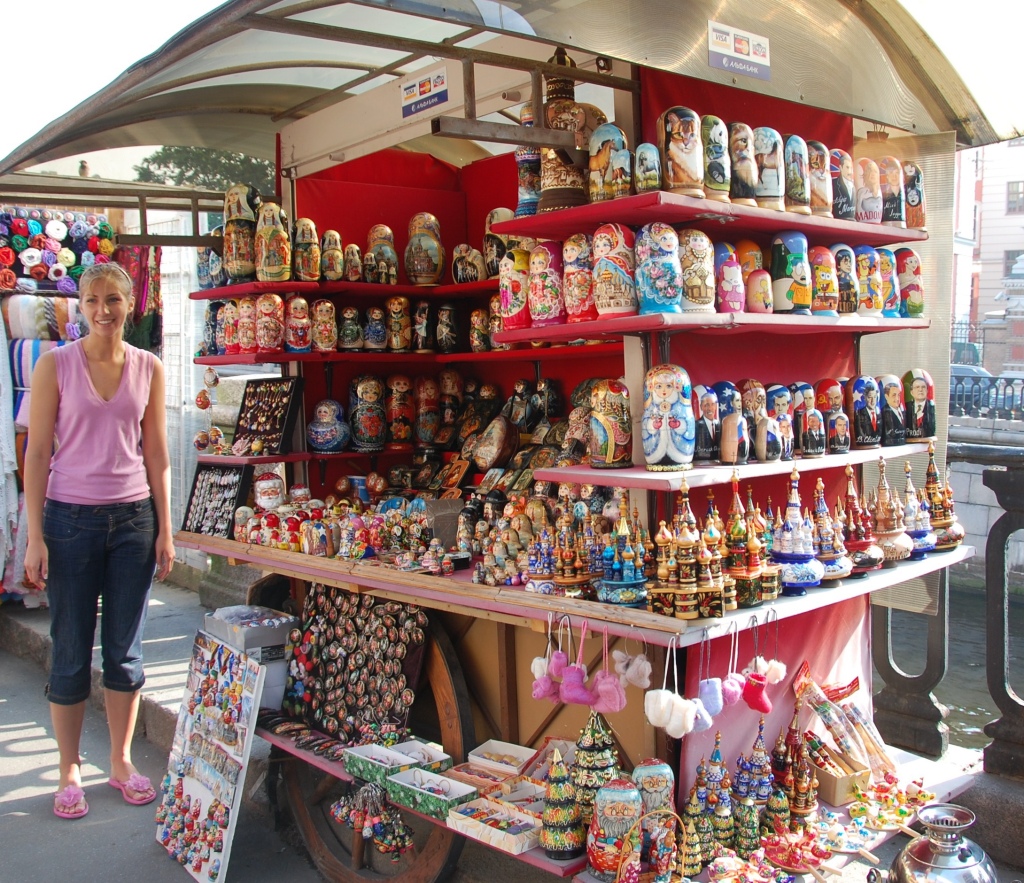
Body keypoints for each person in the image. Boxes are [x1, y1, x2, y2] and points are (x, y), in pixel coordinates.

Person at [23, 263, 174, 820]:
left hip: (133, 521)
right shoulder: (54, 366)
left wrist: (165, 528)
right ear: (79, 307)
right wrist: (34, 536)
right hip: (68, 522)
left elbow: (156, 453)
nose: (103, 309)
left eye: (113, 299)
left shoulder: (149, 367)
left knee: (125, 650)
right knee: (69, 647)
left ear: (129, 303)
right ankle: (68, 769)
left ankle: (120, 760)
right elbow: (37, 454)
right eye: (92, 300)